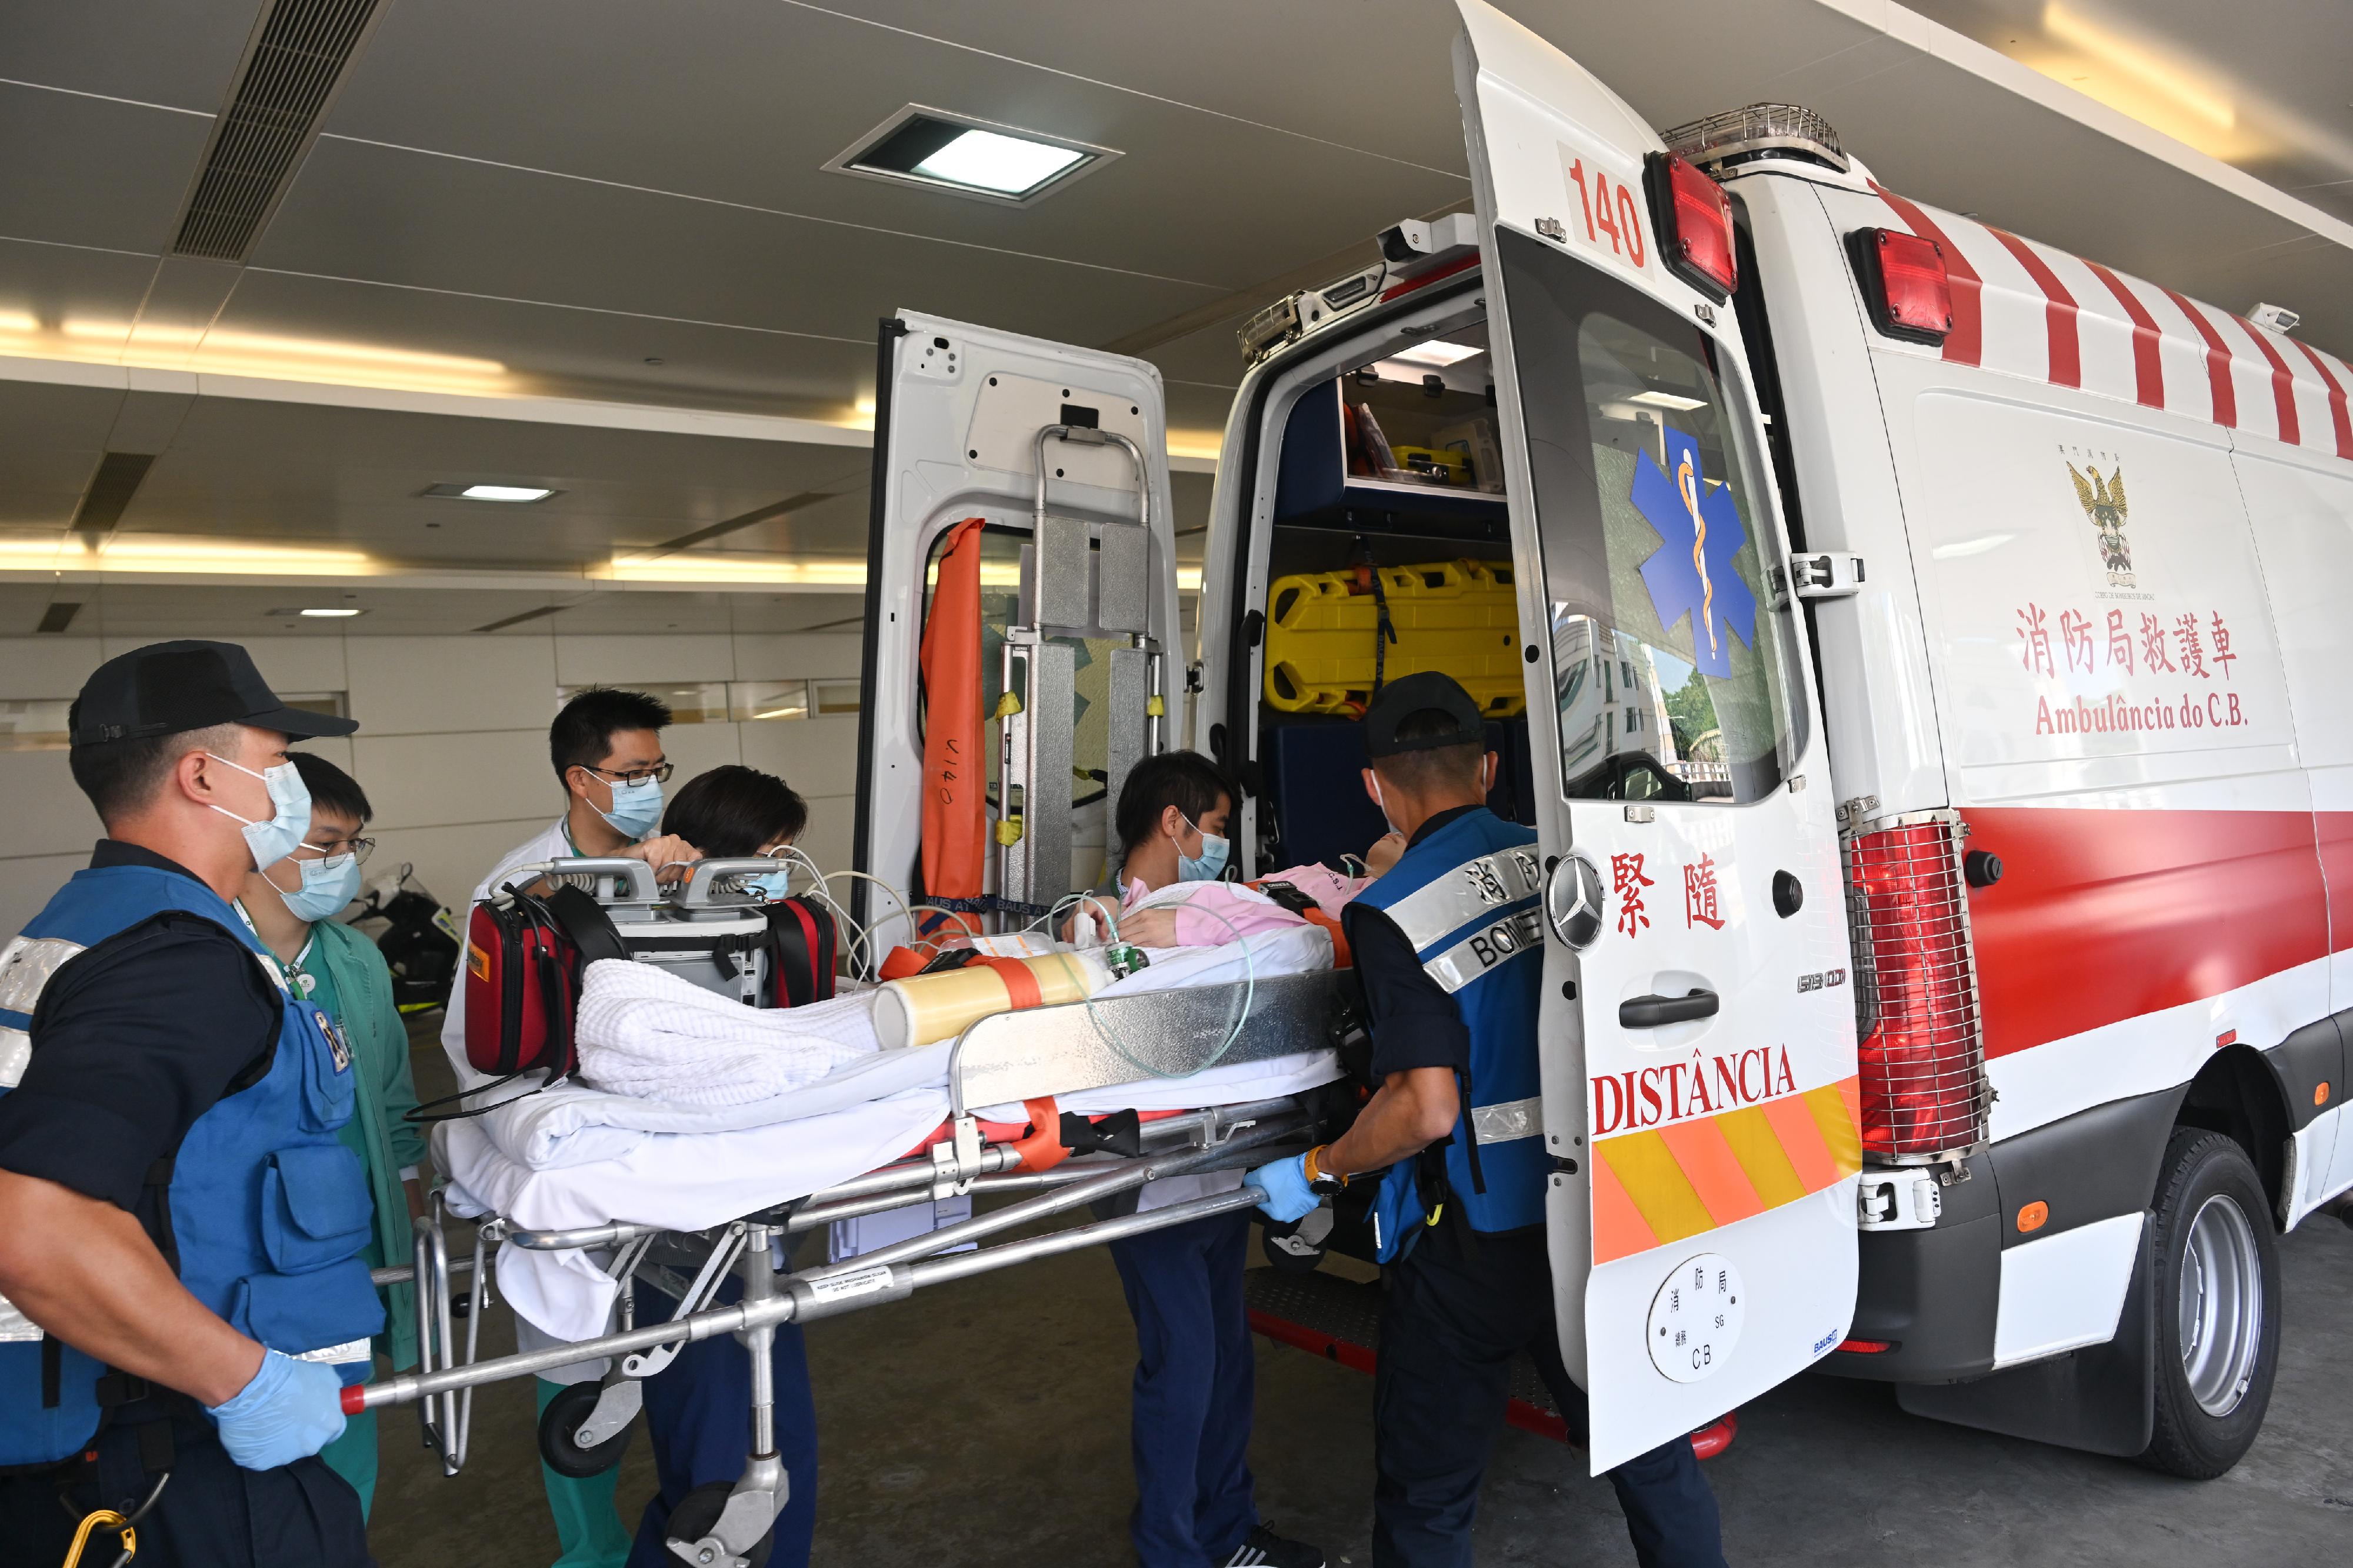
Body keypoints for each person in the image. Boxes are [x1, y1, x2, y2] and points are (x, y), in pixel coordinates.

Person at [1248, 672, 1727, 1568]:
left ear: (1375, 788)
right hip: (1598, 1208)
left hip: (1473, 1243)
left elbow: (1424, 1108)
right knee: (1649, 1453)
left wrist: (1317, 1169)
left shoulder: (1389, 912)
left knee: (1429, 1498)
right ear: (1491, 767)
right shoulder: (1571, 862)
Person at [0, 640, 381, 1566]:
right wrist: (242, 1381)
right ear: (204, 775)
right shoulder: (176, 962)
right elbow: (36, 1224)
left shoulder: (85, 923)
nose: (289, 786)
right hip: (166, 1459)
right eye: (280, 762)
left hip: (114, 1441)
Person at [439, 686, 701, 1568]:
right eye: (632, 773)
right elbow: (472, 1040)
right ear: (579, 777)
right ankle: (588, 1550)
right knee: (576, 1372)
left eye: (658, 769)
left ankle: (693, 1526)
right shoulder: (514, 888)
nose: (649, 788)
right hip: (577, 1152)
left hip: (678, 1149)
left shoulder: (685, 868)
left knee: (690, 1355)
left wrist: (683, 893)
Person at [1080, 752, 1324, 1568]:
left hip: (1223, 1162)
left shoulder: (1214, 908)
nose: (1223, 845)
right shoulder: (1096, 921)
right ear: (1174, 823)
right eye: (1217, 828)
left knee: (1225, 1356)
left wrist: (1196, 930)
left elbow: (1301, 937)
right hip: (1150, 1180)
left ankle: (1227, 1527)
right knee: (1184, 1363)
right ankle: (1172, 1547)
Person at [616, 763, 818, 1568]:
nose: (781, 871)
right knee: (712, 1480)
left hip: (756, 1240)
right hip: (685, 1253)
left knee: (781, 1457)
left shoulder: (759, 939)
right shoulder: (629, 943)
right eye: (771, 852)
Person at [234, 751, 425, 1523]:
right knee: (247, 1434)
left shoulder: (356, 957)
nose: (344, 863)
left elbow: (391, 1093)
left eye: (355, 844)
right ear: (258, 838)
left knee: (343, 1420)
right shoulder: (204, 956)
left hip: (341, 1241)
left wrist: (408, 1212)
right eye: (326, 843)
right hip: (240, 1246)